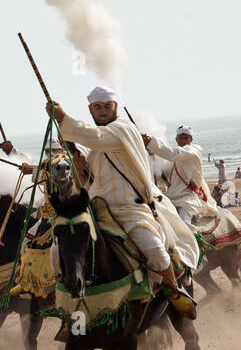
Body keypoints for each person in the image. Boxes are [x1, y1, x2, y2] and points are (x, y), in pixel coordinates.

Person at [46, 86, 199, 318]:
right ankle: (70, 307)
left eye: (107, 106)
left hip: (130, 208)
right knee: (59, 250)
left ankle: (172, 289)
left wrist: (63, 118)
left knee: (156, 251)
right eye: (97, 107)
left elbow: (96, 137)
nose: (103, 111)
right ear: (91, 109)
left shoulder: (122, 130)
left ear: (115, 107)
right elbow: (90, 175)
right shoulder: (97, 146)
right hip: (98, 210)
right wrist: (79, 162)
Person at [143, 125, 221, 229]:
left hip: (187, 196)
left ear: (191, 139)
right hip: (172, 195)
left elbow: (171, 153)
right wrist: (152, 155)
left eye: (186, 138)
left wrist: (151, 143)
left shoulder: (192, 151)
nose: (183, 141)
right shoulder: (177, 157)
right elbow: (164, 174)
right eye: (181, 138)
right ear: (176, 139)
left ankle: (192, 243)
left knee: (184, 224)